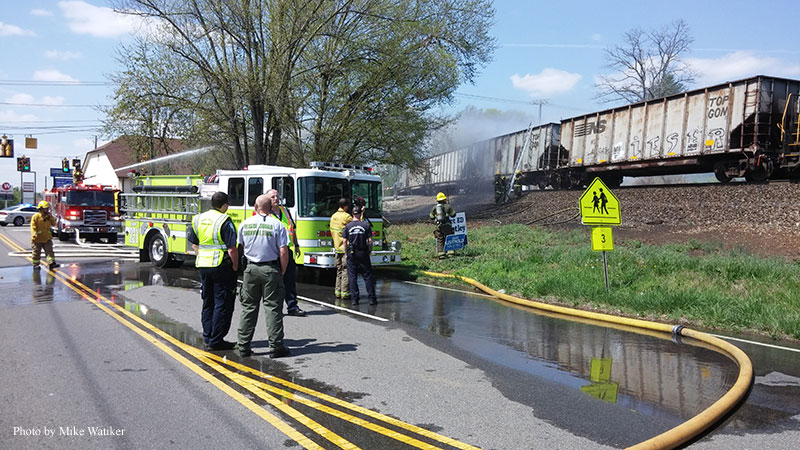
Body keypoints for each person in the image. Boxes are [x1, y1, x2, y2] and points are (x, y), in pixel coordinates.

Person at [235, 194, 291, 358]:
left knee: (248, 308)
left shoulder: (245, 224)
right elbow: (283, 251)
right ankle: (276, 346)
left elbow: (241, 246)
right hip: (271, 269)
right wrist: (282, 270)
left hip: (251, 269)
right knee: (273, 308)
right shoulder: (277, 225)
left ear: (255, 206)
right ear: (271, 208)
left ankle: (243, 346)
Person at [188, 192, 239, 351]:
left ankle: (208, 336)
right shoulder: (225, 220)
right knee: (221, 303)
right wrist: (235, 267)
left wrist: (202, 256)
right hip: (220, 266)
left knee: (207, 301)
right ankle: (217, 340)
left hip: (203, 265)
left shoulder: (198, 218)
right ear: (224, 205)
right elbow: (232, 249)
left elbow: (194, 244)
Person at [266, 189, 306, 317]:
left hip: (287, 250)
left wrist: (297, 245)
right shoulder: (265, 213)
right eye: (272, 197)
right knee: (274, 282)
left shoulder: (285, 211)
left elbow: (292, 229)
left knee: (290, 280)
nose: (276, 199)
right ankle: (275, 308)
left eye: (277, 196)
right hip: (272, 252)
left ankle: (292, 306)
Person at [343, 205, 377, 305]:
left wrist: (346, 254)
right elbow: (370, 241)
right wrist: (369, 251)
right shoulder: (366, 225)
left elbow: (345, 242)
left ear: (352, 214)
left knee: (352, 277)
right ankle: (371, 299)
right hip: (363, 252)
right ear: (360, 214)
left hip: (352, 253)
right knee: (367, 276)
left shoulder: (347, 227)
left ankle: (355, 299)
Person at [329, 198, 353, 300]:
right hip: (345, 248)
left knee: (339, 270)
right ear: (346, 206)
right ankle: (345, 293)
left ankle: (337, 292)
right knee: (346, 271)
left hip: (337, 248)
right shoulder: (347, 217)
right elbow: (356, 225)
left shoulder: (333, 216)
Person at [30, 201, 58, 270]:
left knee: (49, 252)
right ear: (41, 209)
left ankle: (51, 264)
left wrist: (50, 217)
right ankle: (36, 264)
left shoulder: (48, 217)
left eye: (48, 208)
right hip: (37, 239)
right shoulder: (36, 217)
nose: (47, 210)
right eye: (46, 208)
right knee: (36, 253)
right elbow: (33, 227)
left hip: (47, 238)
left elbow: (54, 224)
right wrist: (34, 234)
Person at [430, 192, 456, 259]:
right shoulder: (448, 206)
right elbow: (453, 215)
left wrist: (436, 215)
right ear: (444, 199)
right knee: (449, 237)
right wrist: (448, 211)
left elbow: (431, 217)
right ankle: (450, 252)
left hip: (438, 226)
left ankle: (441, 254)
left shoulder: (435, 207)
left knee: (440, 239)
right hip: (447, 225)